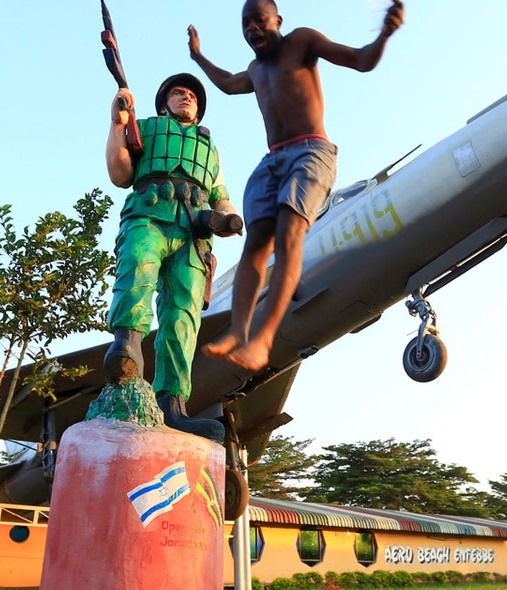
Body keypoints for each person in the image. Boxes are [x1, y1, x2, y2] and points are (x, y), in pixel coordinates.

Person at [187, 0, 406, 371]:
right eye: (246, 25)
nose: (252, 29)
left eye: (259, 20)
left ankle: (263, 338)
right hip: (273, 159)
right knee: (255, 244)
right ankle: (238, 332)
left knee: (289, 234)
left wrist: (383, 34)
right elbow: (226, 84)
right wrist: (197, 56)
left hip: (311, 151)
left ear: (278, 20)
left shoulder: (301, 41)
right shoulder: (255, 70)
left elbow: (361, 60)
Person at [103, 73, 243, 442]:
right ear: (164, 103)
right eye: (179, 93)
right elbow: (121, 173)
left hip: (194, 230)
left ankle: (173, 405)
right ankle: (126, 348)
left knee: (183, 315)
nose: (187, 97)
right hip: (149, 213)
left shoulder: (208, 147)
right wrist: (118, 125)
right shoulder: (145, 128)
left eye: (192, 95)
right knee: (137, 268)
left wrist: (227, 217)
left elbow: (219, 192)